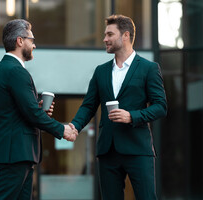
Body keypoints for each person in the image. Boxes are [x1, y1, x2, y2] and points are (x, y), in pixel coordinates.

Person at [70, 14, 167, 199]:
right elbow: (88, 106)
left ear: (125, 35)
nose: (104, 39)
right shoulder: (101, 71)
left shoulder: (149, 68)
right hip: (108, 150)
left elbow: (160, 106)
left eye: (109, 34)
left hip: (138, 148)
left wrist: (132, 116)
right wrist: (74, 126)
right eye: (105, 35)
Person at [0, 19, 78, 200]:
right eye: (32, 39)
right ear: (20, 41)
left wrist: (36, 108)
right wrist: (63, 130)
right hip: (16, 154)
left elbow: (21, 111)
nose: (34, 45)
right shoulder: (15, 71)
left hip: (17, 153)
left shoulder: (3, 69)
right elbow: (31, 115)